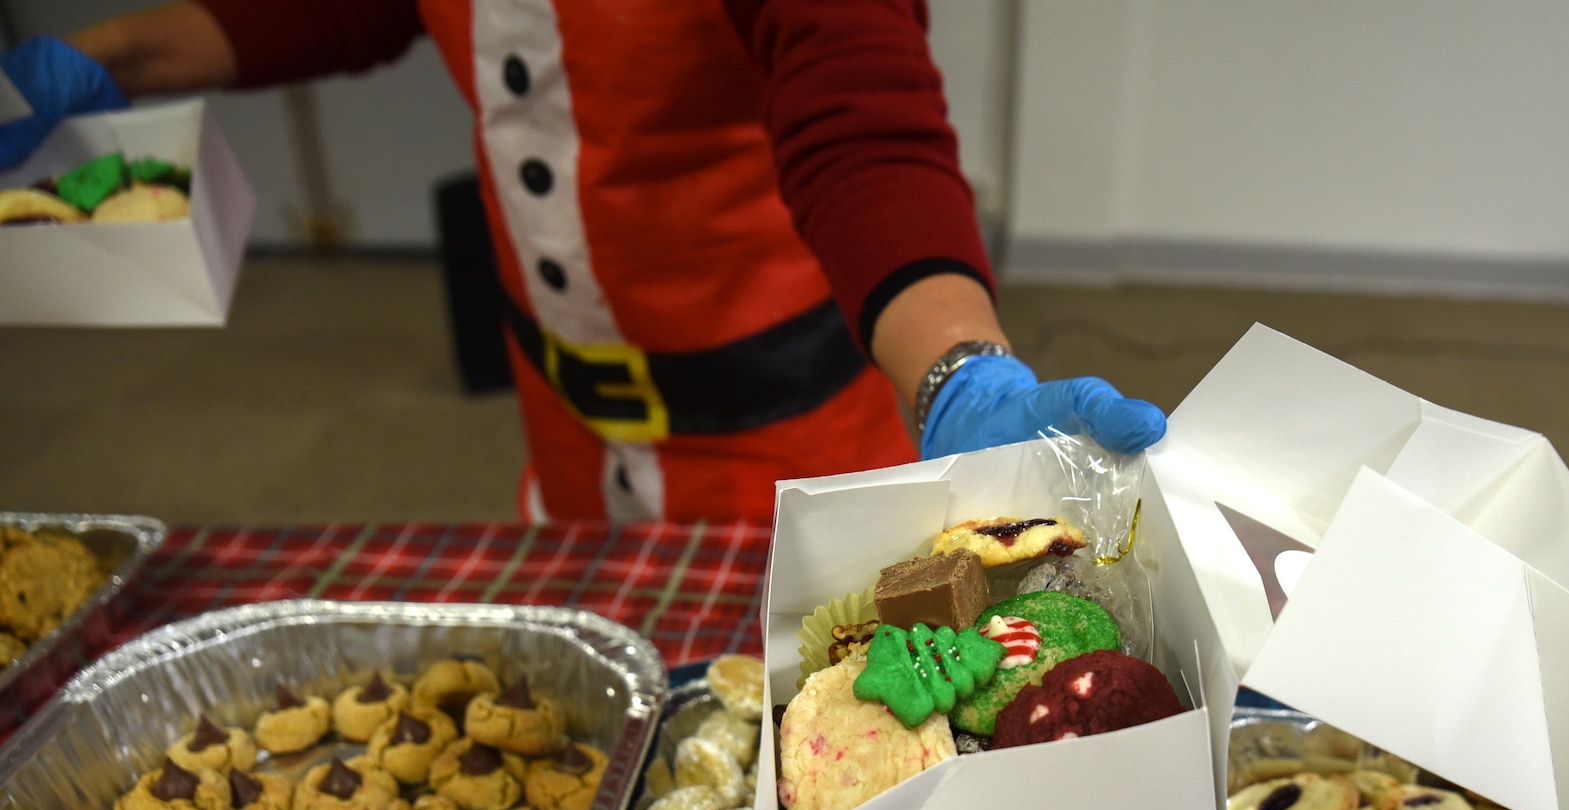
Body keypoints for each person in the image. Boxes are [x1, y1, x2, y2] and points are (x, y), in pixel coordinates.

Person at [0, 3, 1166, 521]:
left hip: (788, 446)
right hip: (564, 434)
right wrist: (107, 62)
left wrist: (956, 367)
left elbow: (857, 108)